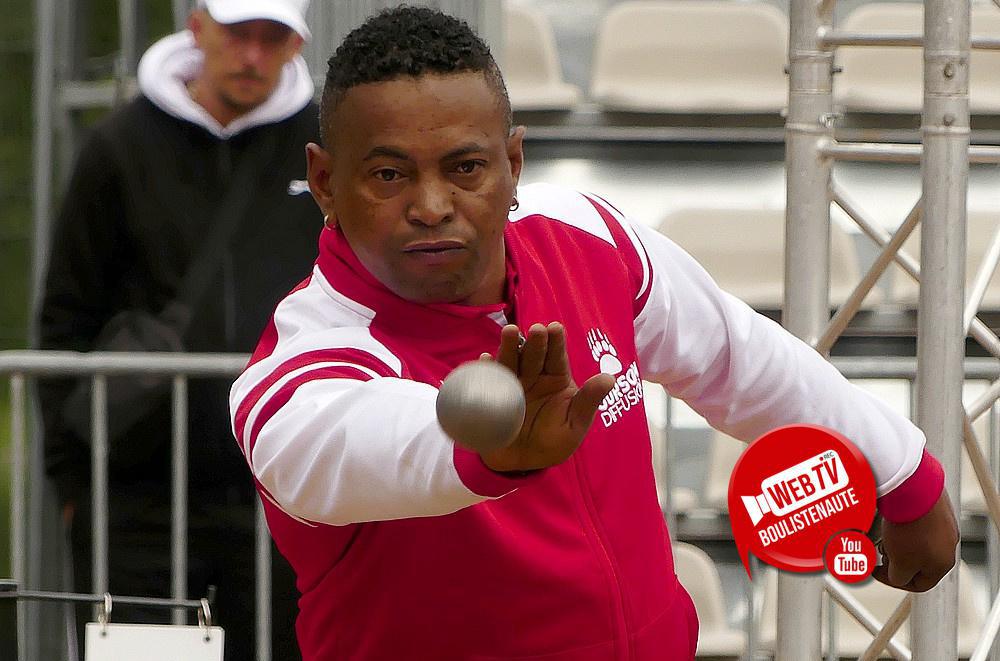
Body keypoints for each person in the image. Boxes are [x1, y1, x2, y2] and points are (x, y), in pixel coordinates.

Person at [229, 6, 960, 659]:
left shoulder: (583, 232)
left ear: (513, 163)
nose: (430, 204)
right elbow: (361, 442)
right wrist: (481, 448)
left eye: (466, 168)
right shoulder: (299, 363)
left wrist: (901, 468)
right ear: (324, 182)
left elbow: (740, 358)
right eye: (388, 174)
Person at [38, 1, 318, 658]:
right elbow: (65, 318)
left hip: (285, 491)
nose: (252, 54)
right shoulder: (117, 147)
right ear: (198, 28)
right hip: (138, 502)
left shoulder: (327, 148)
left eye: (271, 37)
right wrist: (72, 483)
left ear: (296, 45)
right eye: (237, 33)